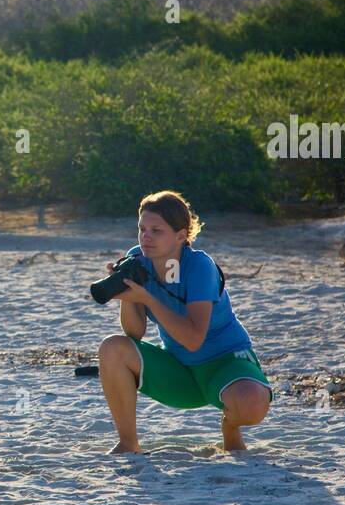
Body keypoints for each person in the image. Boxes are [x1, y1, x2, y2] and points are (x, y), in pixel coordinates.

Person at [98, 190, 271, 453]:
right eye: (142, 228)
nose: (146, 236)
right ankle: (128, 443)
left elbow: (193, 339)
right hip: (180, 373)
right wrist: (127, 296)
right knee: (112, 347)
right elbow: (134, 332)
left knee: (252, 406)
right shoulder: (137, 258)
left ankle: (230, 427)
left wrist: (149, 298)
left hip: (226, 363)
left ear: (180, 235)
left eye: (157, 230)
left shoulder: (199, 266)